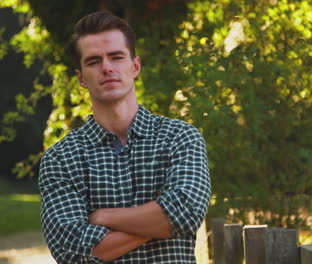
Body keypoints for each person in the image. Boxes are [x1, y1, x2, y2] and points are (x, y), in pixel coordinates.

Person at [38, 11, 211, 263]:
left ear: (135, 66)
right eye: (94, 61)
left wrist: (102, 217)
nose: (107, 67)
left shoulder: (181, 138)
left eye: (116, 57)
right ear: (81, 78)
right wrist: (159, 219)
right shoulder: (60, 159)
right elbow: (73, 251)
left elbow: (186, 213)